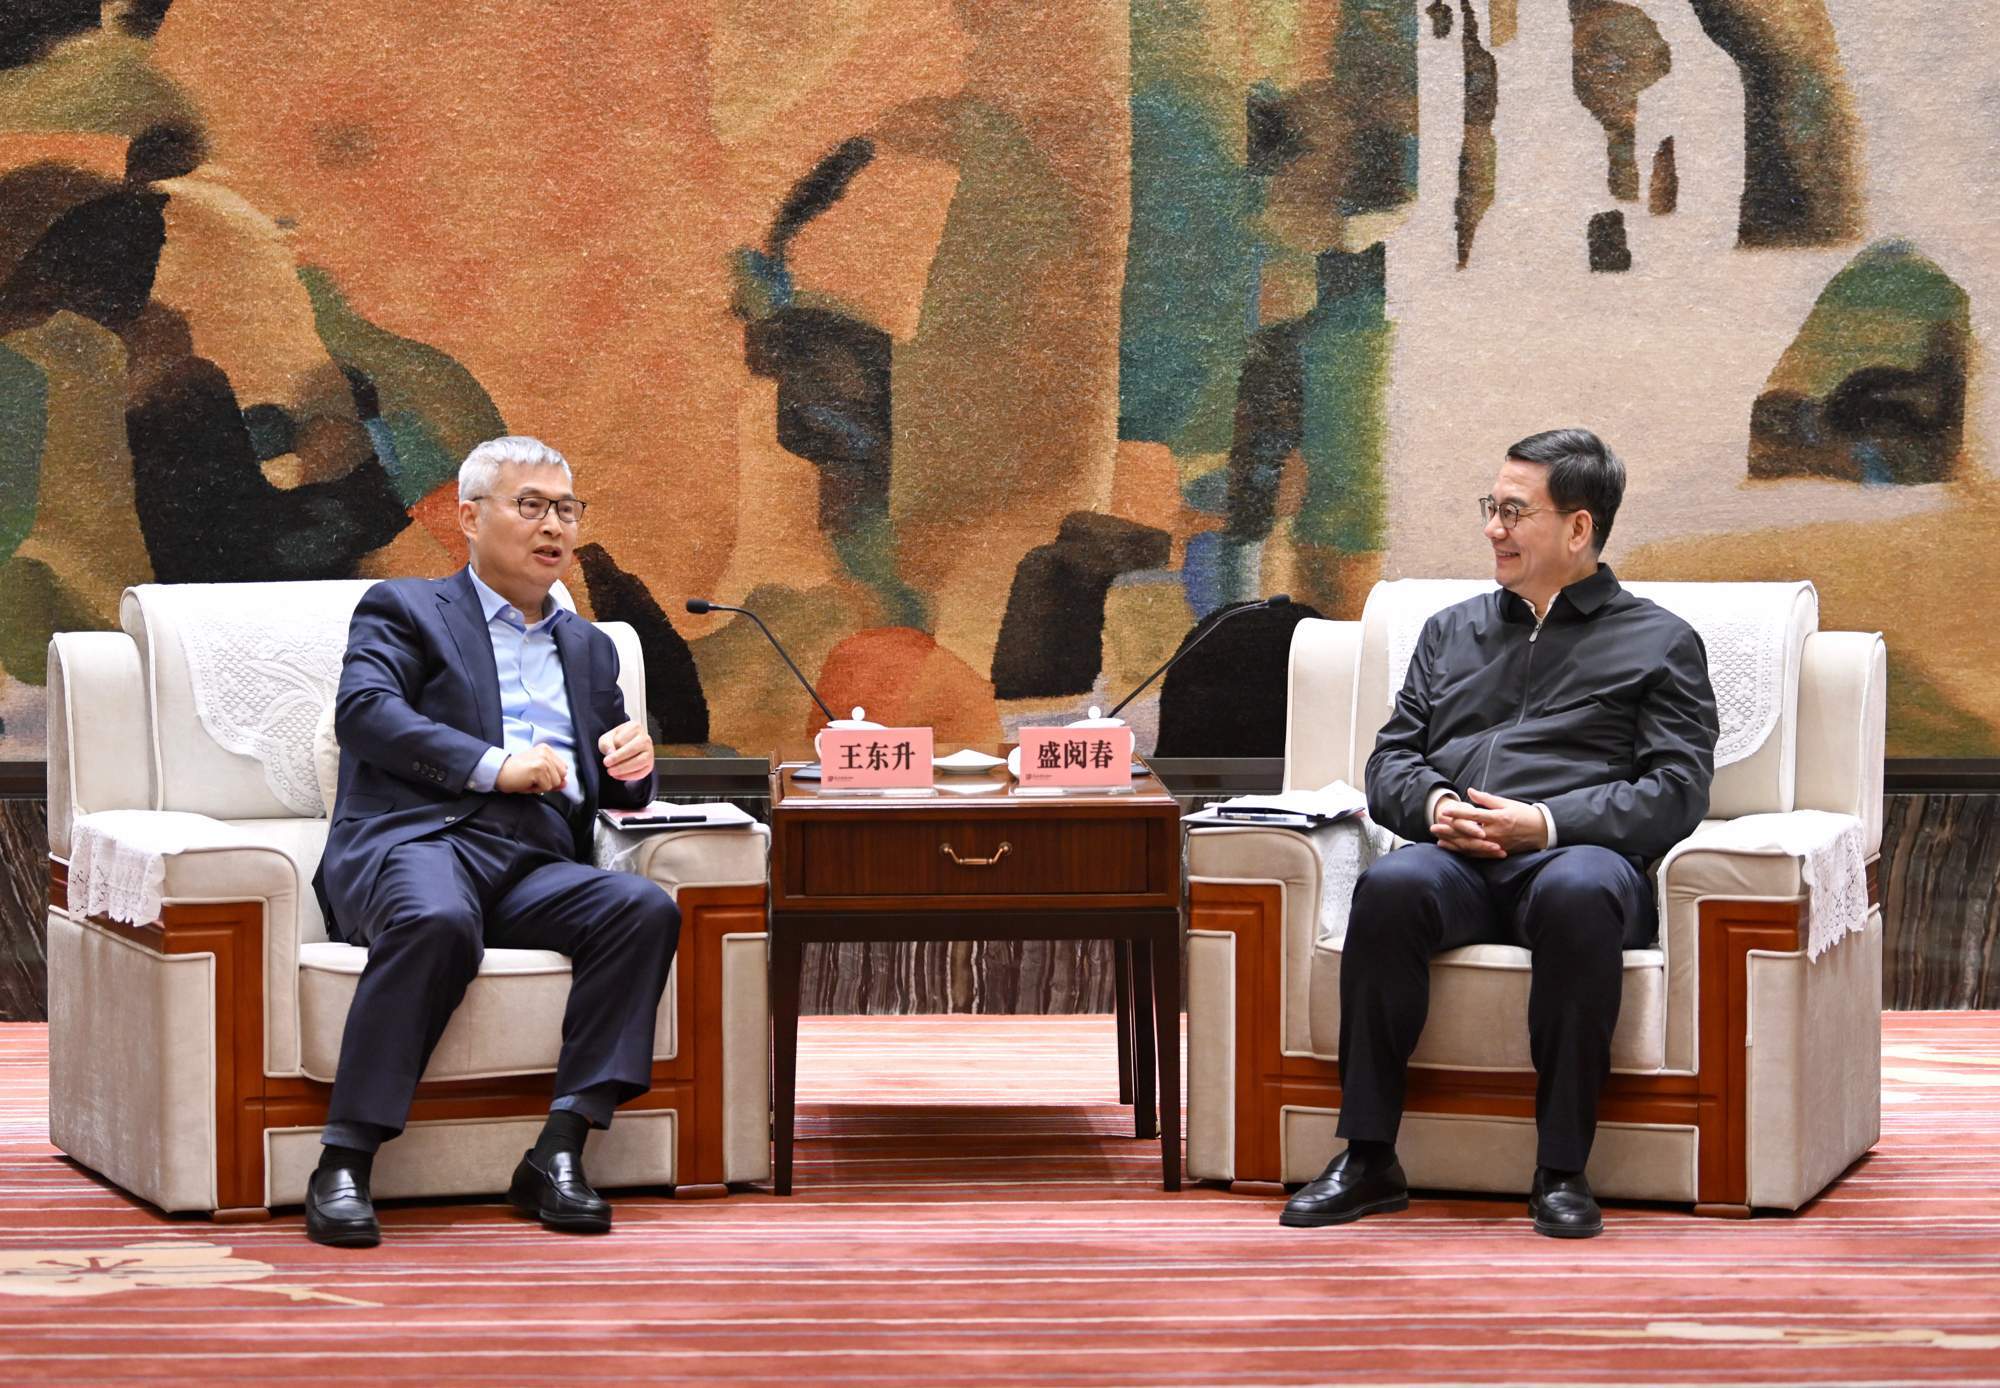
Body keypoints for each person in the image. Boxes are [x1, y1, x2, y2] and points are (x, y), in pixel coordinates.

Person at [1280, 428, 1718, 1238]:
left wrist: (1543, 824)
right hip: (1457, 859)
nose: (1493, 528)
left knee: (1581, 891)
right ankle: (1368, 1157)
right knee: (1391, 885)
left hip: (1578, 860)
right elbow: (1391, 761)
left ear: (1579, 528)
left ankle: (1562, 1169)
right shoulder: (1451, 631)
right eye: (1492, 507)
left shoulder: (1660, 642)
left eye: (1515, 512)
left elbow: (1676, 792)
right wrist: (1435, 807)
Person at [305, 436, 675, 1247]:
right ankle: (345, 1158)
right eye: (530, 505)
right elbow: (365, 713)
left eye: (566, 509)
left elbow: (612, 783)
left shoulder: (589, 646)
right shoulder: (406, 609)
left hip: (532, 862)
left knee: (641, 908)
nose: (554, 526)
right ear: (470, 518)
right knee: (438, 920)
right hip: (419, 841)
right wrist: (492, 765)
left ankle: (559, 1148)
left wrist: (635, 765)